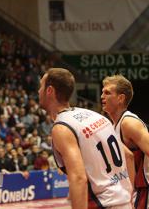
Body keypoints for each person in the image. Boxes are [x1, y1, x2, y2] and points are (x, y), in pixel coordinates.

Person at [39, 68, 132, 209]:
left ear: (49, 90)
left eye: (41, 86)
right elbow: (128, 155)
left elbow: (79, 178)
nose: (39, 91)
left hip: (103, 204)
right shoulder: (95, 115)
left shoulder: (62, 127)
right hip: (125, 201)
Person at [102, 75, 149, 208]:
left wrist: (131, 190)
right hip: (135, 189)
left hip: (144, 188)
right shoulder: (113, 125)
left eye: (107, 93)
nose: (102, 96)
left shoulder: (129, 123)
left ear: (120, 98)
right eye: (102, 92)